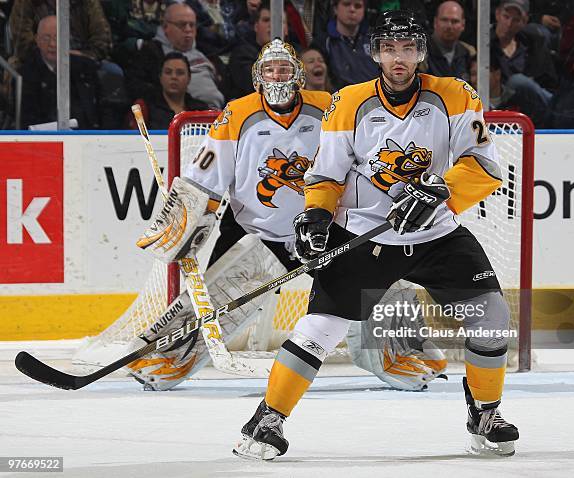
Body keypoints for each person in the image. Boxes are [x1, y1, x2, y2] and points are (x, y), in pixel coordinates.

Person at [234, 11, 519, 461]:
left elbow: (483, 164)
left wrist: (442, 189)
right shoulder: (348, 102)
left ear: (420, 52)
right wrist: (315, 216)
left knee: (491, 317)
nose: (398, 57)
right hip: (367, 236)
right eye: (389, 48)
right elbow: (326, 174)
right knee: (320, 328)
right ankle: (268, 418)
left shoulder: (456, 95)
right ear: (376, 53)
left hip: (439, 237)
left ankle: (485, 413)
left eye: (407, 48)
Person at [130, 38, 445, 394]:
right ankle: (161, 358)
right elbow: (205, 176)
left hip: (326, 229)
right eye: (269, 69)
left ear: (298, 75)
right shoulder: (237, 114)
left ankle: (401, 357)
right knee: (214, 300)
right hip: (258, 233)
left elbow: (365, 153)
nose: (276, 75)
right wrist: (186, 220)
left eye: (283, 68)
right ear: (257, 76)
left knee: (381, 280)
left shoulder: (329, 107)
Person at [126, 2, 224, 108]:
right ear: (166, 27)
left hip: (219, 112)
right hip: (181, 114)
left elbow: (225, 84)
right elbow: (137, 86)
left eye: (192, 25)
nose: (188, 30)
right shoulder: (151, 51)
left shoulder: (206, 50)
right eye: (182, 25)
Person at [20, 15, 100, 129]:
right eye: (46, 38)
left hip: (86, 137)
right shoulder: (27, 73)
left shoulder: (85, 67)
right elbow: (29, 120)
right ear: (37, 40)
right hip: (47, 139)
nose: (52, 44)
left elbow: (101, 109)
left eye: (57, 38)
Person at [491, 0, 558, 110]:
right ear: (497, 14)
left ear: (525, 21)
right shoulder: (483, 43)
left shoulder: (534, 46)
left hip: (529, 109)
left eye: (516, 20)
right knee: (517, 81)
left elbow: (548, 82)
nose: (509, 24)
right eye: (506, 17)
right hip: (495, 106)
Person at [127, 52, 211, 130]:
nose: (174, 77)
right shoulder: (143, 107)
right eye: (168, 72)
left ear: (189, 78)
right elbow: (132, 141)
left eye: (180, 73)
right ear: (160, 77)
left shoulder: (201, 110)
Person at [314, 0, 379, 88]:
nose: (352, 9)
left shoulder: (375, 40)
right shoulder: (323, 43)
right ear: (335, 9)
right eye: (346, 4)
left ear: (364, 11)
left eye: (358, 6)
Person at [421, 0, 474, 81]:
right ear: (435, 22)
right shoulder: (421, 52)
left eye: (455, 21)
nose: (449, 26)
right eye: (444, 20)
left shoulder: (469, 53)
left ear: (463, 25)